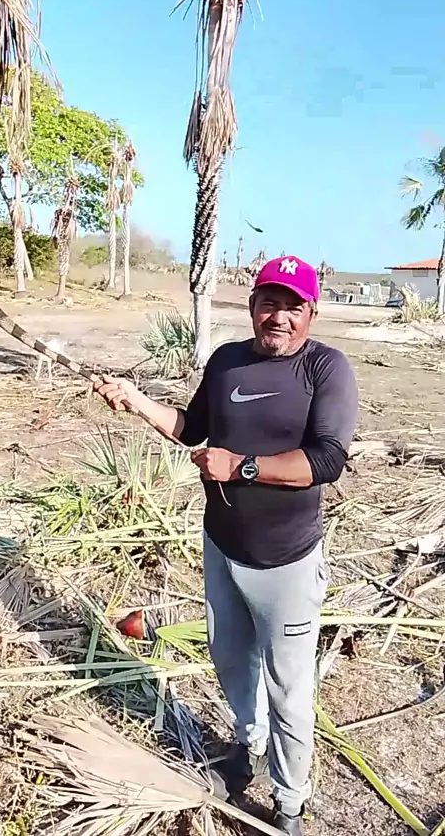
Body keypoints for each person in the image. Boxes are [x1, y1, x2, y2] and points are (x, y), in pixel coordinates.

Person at [93, 255, 359, 835]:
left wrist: (240, 467)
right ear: (253, 305)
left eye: (293, 307)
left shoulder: (325, 368)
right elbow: (192, 429)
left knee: (289, 688)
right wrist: (135, 399)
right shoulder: (226, 361)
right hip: (222, 547)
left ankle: (289, 802)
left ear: (312, 314)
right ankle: (248, 745)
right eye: (270, 303)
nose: (279, 317)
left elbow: (327, 461)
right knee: (232, 661)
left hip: (286, 562)